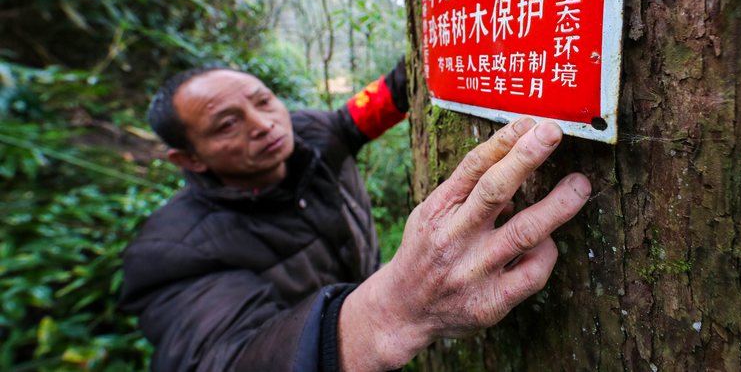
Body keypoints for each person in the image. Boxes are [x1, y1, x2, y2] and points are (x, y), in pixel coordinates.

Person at [119, 59, 591, 371]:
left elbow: (374, 105)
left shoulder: (311, 134)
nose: (263, 125)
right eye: (227, 124)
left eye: (263, 100)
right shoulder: (168, 251)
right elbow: (224, 360)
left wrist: (438, 51)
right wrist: (395, 308)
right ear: (190, 159)